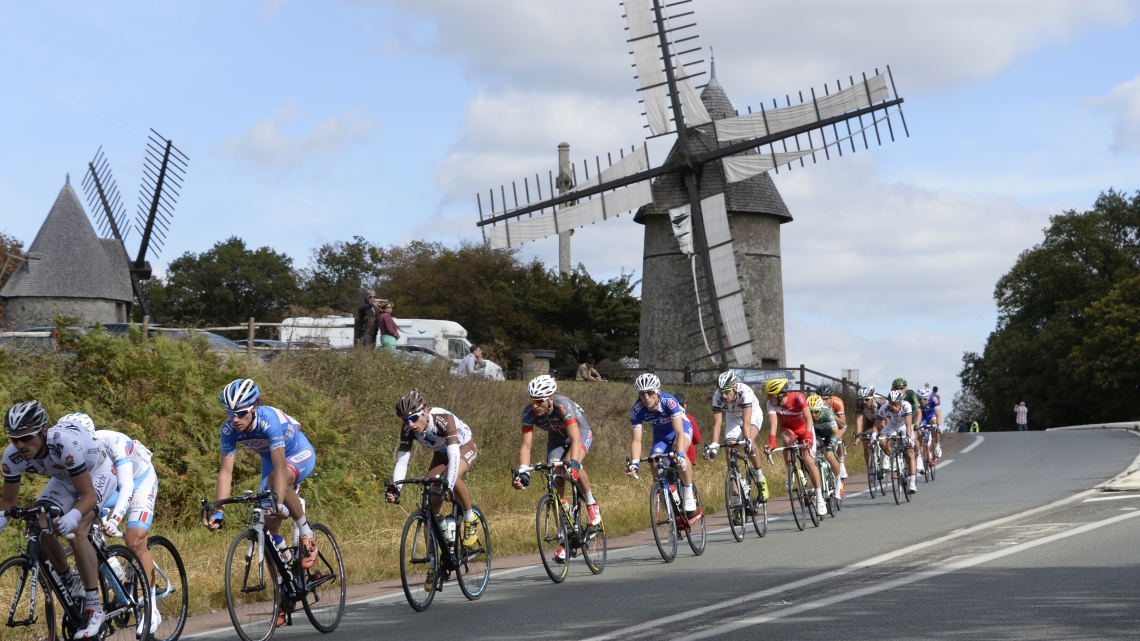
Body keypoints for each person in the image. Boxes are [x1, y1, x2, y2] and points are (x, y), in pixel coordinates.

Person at [1, 402, 117, 639]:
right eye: (14, 439)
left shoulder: (64, 445)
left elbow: (88, 495)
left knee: (79, 529)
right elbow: (7, 504)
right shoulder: (12, 456)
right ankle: (70, 580)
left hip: (98, 474)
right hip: (65, 479)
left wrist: (73, 517)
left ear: (43, 430)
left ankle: (95, 609)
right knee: (39, 523)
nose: (20, 445)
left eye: (26, 437)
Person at [204, 379, 319, 574]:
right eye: (230, 413)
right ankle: (285, 582)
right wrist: (220, 510)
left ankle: (307, 534)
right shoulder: (229, 430)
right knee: (267, 528)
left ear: (254, 407)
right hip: (271, 463)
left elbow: (281, 466)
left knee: (276, 492)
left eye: (241, 413)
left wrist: (279, 503)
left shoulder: (269, 421)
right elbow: (226, 472)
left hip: (298, 454)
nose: (235, 419)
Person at [66, 413, 162, 635]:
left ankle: (152, 610)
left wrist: (116, 519)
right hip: (111, 483)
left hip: (139, 481)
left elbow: (127, 486)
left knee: (134, 540)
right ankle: (114, 575)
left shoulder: (114, 442)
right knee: (86, 528)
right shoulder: (69, 452)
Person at [388, 389, 480, 589]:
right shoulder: (408, 429)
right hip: (440, 452)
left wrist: (449, 482)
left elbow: (454, 456)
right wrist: (397, 488)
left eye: (413, 418)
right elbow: (402, 461)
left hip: (463, 447)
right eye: (405, 421)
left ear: (425, 411)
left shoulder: (443, 420)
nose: (410, 424)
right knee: (430, 505)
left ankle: (469, 517)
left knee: (452, 479)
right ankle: (434, 564)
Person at [513, 376, 600, 562]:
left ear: (551, 398)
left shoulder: (562, 405)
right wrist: (523, 471)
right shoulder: (528, 413)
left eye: (539, 401)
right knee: (556, 479)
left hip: (580, 433)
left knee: (570, 467)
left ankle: (591, 503)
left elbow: (576, 440)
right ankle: (565, 537)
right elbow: (526, 446)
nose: (535, 405)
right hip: (557, 439)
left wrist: (574, 464)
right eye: (532, 400)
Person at [626, 373, 698, 516]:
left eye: (650, 392)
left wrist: (681, 455)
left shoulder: (669, 401)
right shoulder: (637, 410)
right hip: (661, 436)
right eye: (642, 394)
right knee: (654, 463)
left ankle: (688, 493)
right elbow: (636, 440)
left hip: (681, 429)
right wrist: (634, 463)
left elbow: (678, 432)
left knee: (679, 451)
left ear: (658, 391)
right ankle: (669, 510)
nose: (646, 397)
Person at [763, 378, 827, 517]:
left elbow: (809, 418)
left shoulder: (798, 397)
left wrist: (809, 436)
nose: (768, 398)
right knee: (786, 440)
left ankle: (819, 497)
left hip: (805, 428)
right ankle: (790, 472)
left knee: (809, 462)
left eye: (770, 395)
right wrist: (772, 443)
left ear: (780, 396)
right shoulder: (771, 404)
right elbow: (773, 424)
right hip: (788, 429)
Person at [705, 371, 769, 499]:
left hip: (752, 415)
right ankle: (736, 499)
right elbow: (717, 424)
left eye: (727, 391)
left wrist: (747, 441)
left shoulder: (745, 391)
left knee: (749, 440)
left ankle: (760, 477)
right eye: (721, 391)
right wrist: (713, 446)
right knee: (729, 450)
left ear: (735, 387)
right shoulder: (717, 396)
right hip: (733, 417)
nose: (723, 395)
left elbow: (746, 422)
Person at [875, 389, 918, 495]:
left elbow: (908, 425)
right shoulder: (884, 408)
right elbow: (876, 425)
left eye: (896, 404)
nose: (893, 407)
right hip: (892, 426)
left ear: (900, 403)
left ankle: (912, 483)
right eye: (891, 404)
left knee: (910, 453)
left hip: (904, 426)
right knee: (882, 441)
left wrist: (908, 438)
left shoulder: (906, 406)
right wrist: (873, 436)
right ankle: (893, 458)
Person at [808, 394, 843, 497]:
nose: (813, 415)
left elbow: (836, 432)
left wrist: (833, 441)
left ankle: (838, 481)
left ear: (820, 410)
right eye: (811, 412)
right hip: (817, 434)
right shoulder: (807, 415)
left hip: (830, 434)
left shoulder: (827, 412)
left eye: (816, 412)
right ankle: (816, 485)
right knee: (813, 459)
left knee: (829, 456)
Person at [818, 383, 848, 480]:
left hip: (838, 425)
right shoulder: (814, 403)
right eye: (821, 398)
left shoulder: (837, 402)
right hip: (823, 427)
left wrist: (830, 414)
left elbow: (842, 424)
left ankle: (841, 463)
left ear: (831, 398)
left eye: (825, 399)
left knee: (838, 436)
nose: (823, 402)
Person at [853, 385, 885, 469]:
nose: (864, 402)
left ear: (873, 398)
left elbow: (887, 419)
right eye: (862, 399)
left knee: (883, 438)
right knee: (866, 444)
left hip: (882, 421)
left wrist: (886, 435)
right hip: (870, 422)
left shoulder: (881, 402)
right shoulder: (859, 402)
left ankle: (885, 456)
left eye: (866, 399)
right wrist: (857, 435)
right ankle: (870, 469)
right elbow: (859, 418)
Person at [673, 392, 702, 467]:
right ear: (684, 406)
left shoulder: (667, 418)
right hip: (687, 455)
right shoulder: (688, 418)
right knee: (686, 477)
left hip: (669, 455)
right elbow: (697, 438)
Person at [917, 387, 943, 458]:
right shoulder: (916, 400)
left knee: (934, 425)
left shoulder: (934, 399)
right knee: (920, 435)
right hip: (922, 417)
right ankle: (920, 459)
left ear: (928, 397)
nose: (922, 401)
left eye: (924, 399)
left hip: (932, 415)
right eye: (920, 399)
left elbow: (938, 415)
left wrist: (938, 426)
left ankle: (937, 444)